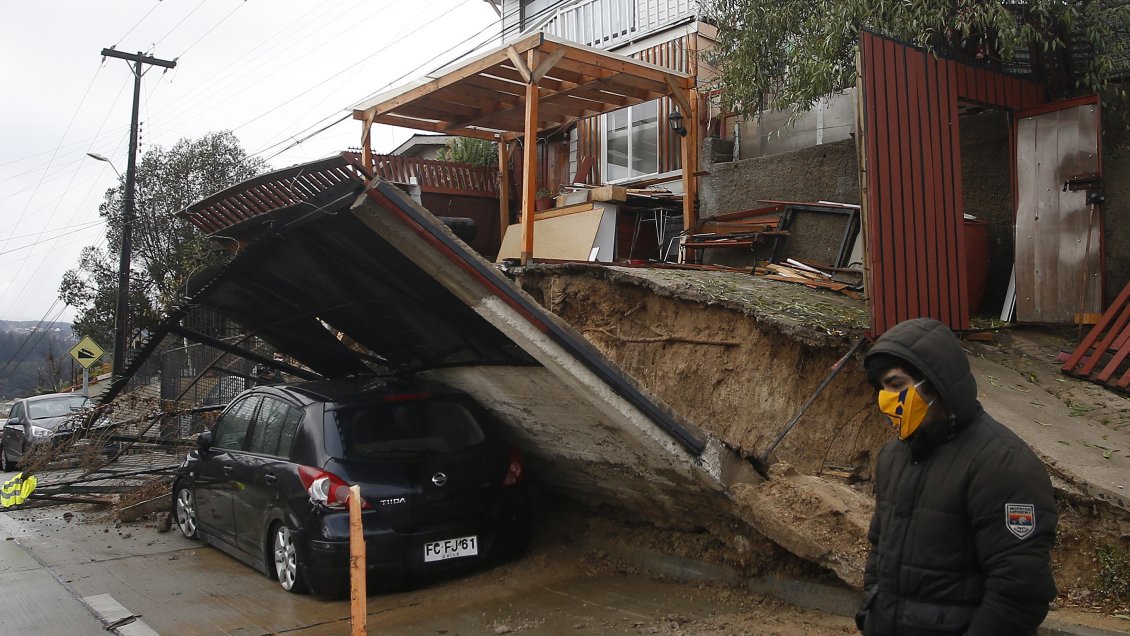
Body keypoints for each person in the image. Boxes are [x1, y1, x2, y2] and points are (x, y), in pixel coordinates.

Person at [856, 318, 1057, 635]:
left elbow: (1019, 593)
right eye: (882, 388)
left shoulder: (1002, 464)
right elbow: (880, 551)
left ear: (936, 384)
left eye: (896, 385)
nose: (886, 399)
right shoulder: (894, 457)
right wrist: (871, 615)